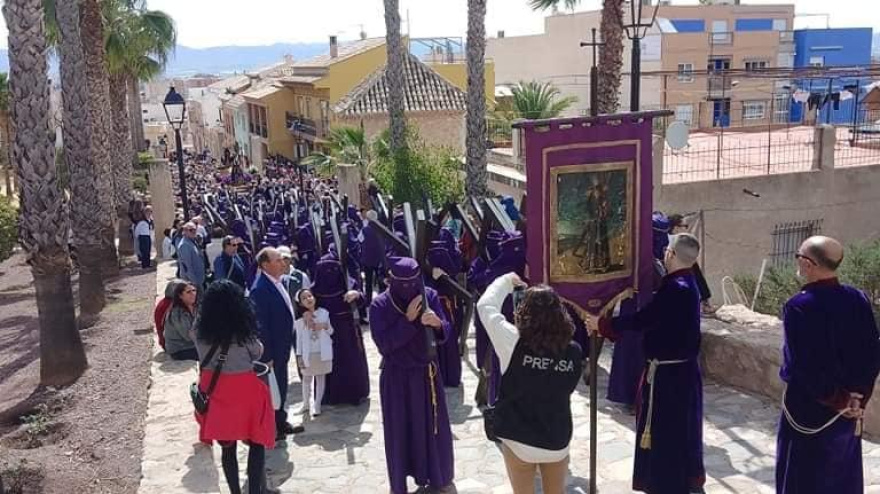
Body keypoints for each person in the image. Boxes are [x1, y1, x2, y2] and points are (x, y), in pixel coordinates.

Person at [591, 233, 706, 494]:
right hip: (681, 373)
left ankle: (668, 485)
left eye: (667, 250)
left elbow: (645, 319)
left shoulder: (676, 288)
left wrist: (604, 324)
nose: (664, 253)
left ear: (672, 255)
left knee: (667, 434)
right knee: (680, 432)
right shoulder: (687, 282)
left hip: (669, 377)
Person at [776, 236, 880, 494]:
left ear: (808, 263)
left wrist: (839, 400)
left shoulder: (798, 306)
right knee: (841, 475)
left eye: (799, 256)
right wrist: (858, 398)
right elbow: (871, 353)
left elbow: (803, 366)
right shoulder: (858, 298)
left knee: (805, 476)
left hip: (809, 409)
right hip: (849, 410)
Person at [477, 273, 583, 494]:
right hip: (556, 436)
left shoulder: (512, 341)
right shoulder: (573, 351)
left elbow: (485, 306)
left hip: (519, 437)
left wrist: (506, 281)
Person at [369, 257, 455, 494]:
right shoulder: (379, 305)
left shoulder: (429, 296)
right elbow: (384, 345)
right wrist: (407, 321)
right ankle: (400, 482)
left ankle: (437, 475)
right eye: (402, 283)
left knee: (432, 427)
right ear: (391, 280)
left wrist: (437, 324)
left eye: (412, 282)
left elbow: (446, 331)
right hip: (397, 378)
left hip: (427, 375)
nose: (408, 288)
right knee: (400, 430)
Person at [194, 280, 275, 494]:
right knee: (256, 442)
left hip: (215, 391)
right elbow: (257, 352)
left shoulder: (199, 329)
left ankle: (234, 492)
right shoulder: (242, 330)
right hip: (245, 390)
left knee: (227, 447)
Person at [249, 247, 303, 440]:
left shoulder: (277, 282)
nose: (283, 263)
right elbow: (260, 325)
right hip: (272, 350)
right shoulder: (260, 289)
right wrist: (267, 355)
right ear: (265, 264)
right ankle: (273, 426)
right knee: (273, 387)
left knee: (281, 384)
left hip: (283, 344)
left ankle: (280, 420)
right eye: (278, 260)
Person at [294, 289, 334, 418]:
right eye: (304, 298)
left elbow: (331, 331)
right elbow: (299, 339)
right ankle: (306, 404)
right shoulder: (300, 321)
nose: (309, 299)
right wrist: (299, 355)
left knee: (321, 377)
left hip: (322, 351)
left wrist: (324, 326)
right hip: (308, 353)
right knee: (306, 378)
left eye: (310, 296)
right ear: (300, 303)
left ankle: (317, 404)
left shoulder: (324, 313)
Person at [668, 214, 715, 316]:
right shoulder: (676, 240)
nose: (686, 229)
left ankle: (703, 301)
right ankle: (704, 302)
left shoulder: (667, 239)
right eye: (685, 226)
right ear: (676, 228)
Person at [163, 281, 199, 361]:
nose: (193, 294)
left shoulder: (195, 307)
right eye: (188, 292)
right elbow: (188, 336)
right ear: (180, 296)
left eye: (194, 290)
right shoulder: (177, 313)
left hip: (193, 344)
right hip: (180, 349)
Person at [358, 210, 386, 305]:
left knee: (368, 282)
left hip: (367, 259)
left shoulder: (365, 229)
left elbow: (359, 240)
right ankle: (383, 300)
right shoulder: (382, 229)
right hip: (380, 259)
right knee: (381, 281)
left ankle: (368, 301)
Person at [177, 223, 206, 287]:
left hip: (199, 279)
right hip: (191, 282)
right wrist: (194, 282)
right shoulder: (184, 245)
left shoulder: (192, 241)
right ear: (185, 231)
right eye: (191, 230)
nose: (194, 232)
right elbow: (187, 266)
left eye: (195, 229)